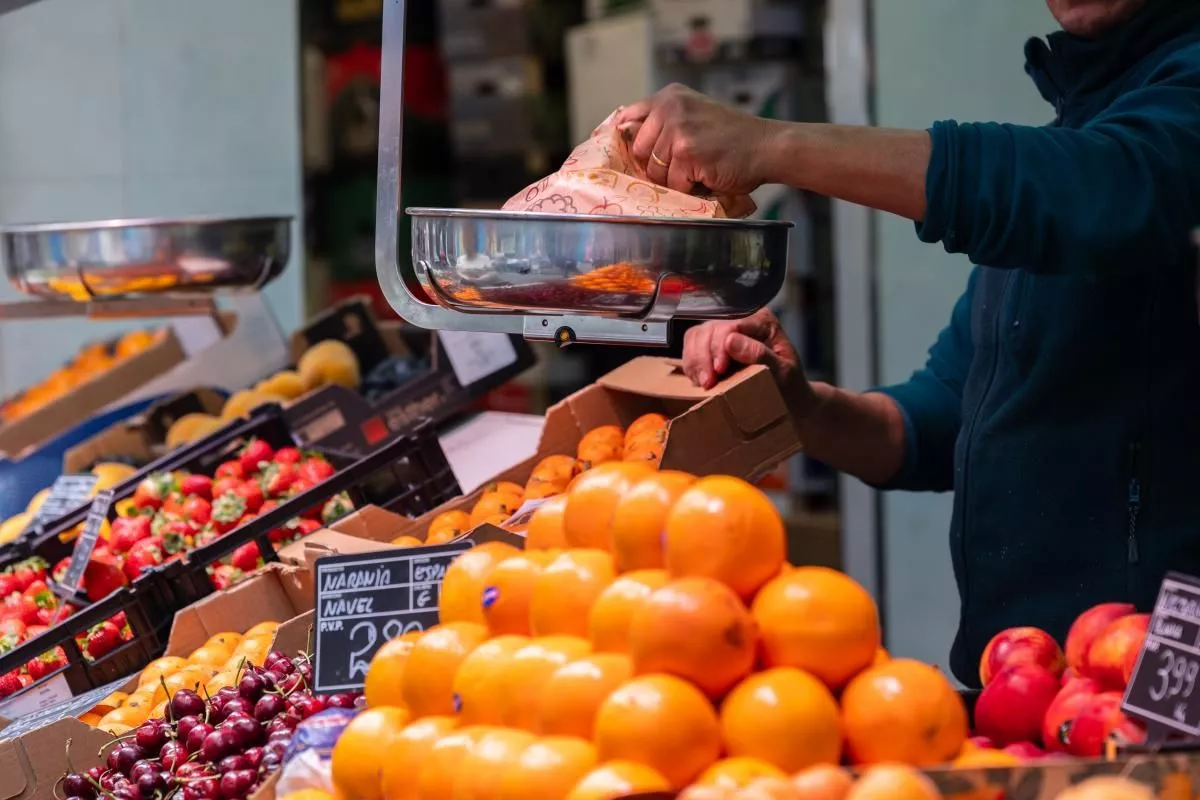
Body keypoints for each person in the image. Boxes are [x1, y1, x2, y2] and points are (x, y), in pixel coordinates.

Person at [616, 0, 1200, 686]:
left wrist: (770, 145)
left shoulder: (1107, 160)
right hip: (1023, 686)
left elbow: (1102, 186)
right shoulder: (1074, 136)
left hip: (1155, 700)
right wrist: (798, 405)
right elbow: (935, 421)